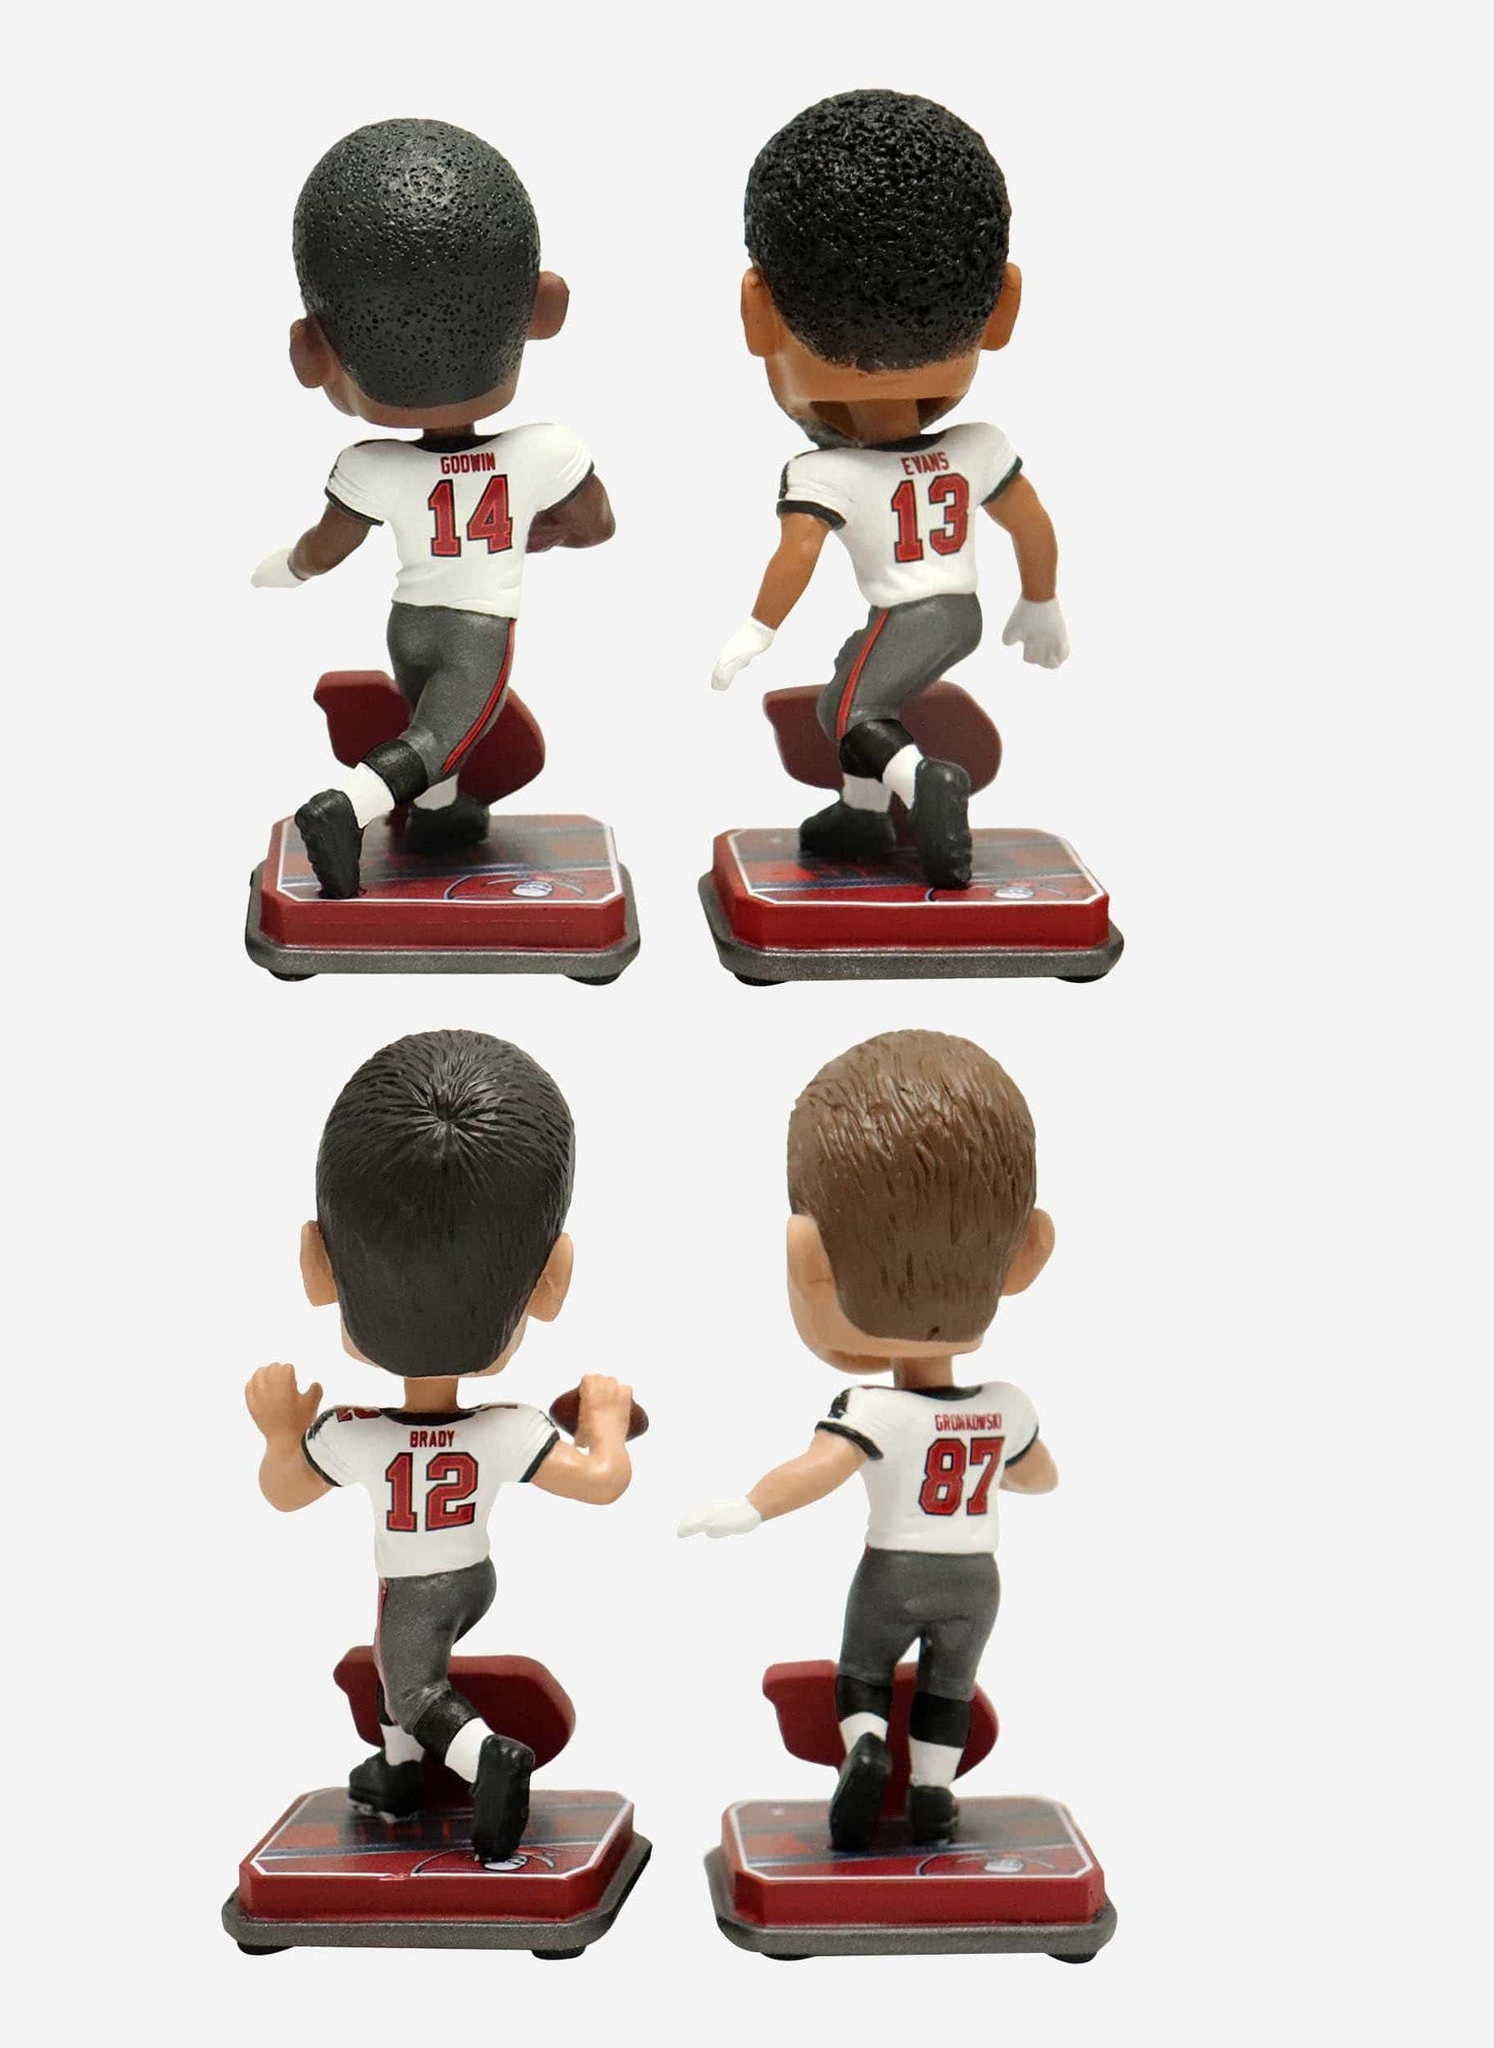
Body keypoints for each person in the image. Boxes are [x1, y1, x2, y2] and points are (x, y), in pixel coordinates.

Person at [246, 1030, 633, 1864]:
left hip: (417, 1587)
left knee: (412, 1684)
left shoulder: (355, 1434)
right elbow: (602, 1481)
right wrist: (602, 1420)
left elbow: (282, 1491)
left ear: (318, 1269)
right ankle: (396, 1772)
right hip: (472, 1578)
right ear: (552, 1281)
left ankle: (484, 1757)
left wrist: (280, 1433)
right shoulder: (504, 1426)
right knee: (392, 1667)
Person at [680, 1030, 1058, 1849]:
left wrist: (749, 1507)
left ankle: (866, 1747)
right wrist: (986, 1468)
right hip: (977, 1577)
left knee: (863, 1673)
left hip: (895, 1571)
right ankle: (932, 1794)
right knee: (949, 1687)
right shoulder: (1007, 1407)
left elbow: (817, 1469)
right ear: (1026, 1254)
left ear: (812, 1255)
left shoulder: (876, 1409)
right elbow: (1040, 1479)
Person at [709, 92, 1071, 890]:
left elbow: (797, 556)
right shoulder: (977, 447)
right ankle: (861, 812)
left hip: (916, 614)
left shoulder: (824, 474)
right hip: (958, 614)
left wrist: (757, 629)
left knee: (845, 711)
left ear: (758, 315)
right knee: (852, 676)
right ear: (1000, 310)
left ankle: (923, 783)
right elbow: (1031, 523)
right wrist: (1041, 599)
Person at [251, 121, 615, 896]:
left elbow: (324, 548)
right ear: (543, 309)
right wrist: (539, 531)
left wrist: (285, 569)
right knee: (442, 734)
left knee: (432, 723)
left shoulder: (371, 465)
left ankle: (442, 815)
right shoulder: (543, 450)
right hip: (475, 627)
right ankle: (347, 807)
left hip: (409, 622)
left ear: (314, 354)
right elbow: (597, 525)